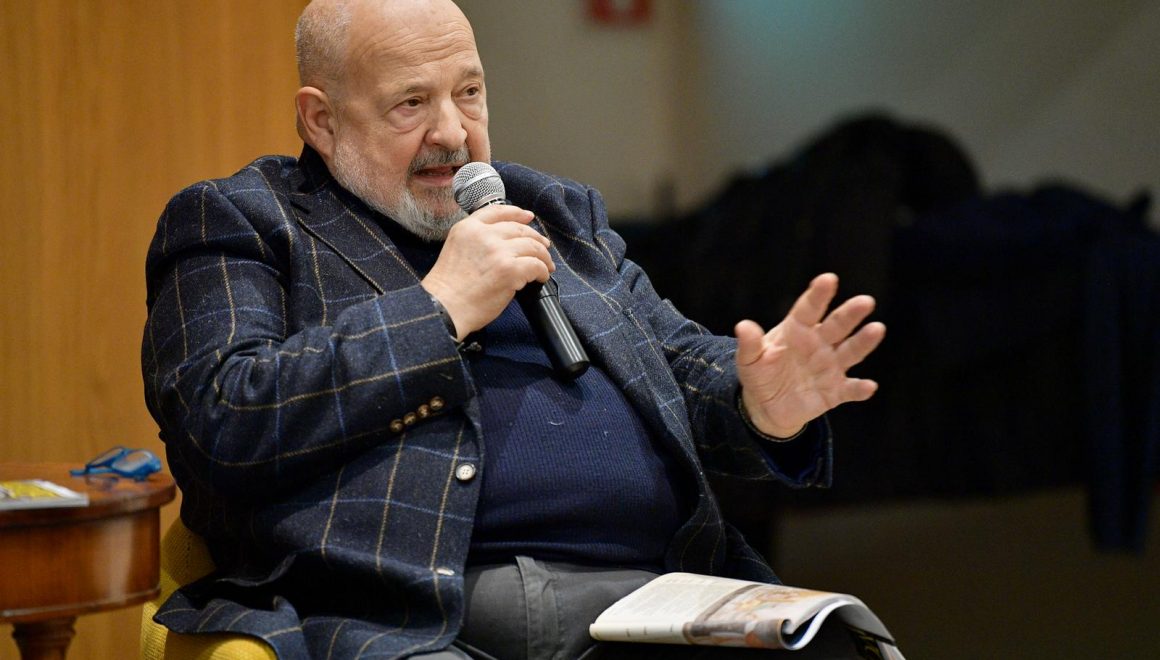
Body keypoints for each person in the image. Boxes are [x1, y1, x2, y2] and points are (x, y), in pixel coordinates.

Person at [140, 1, 886, 658]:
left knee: (838, 648)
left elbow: (679, 363)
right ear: (321, 120)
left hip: (659, 594)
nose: (453, 132)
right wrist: (437, 310)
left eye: (469, 92)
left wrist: (757, 403)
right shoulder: (243, 220)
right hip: (421, 608)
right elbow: (221, 422)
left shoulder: (553, 210)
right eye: (411, 104)